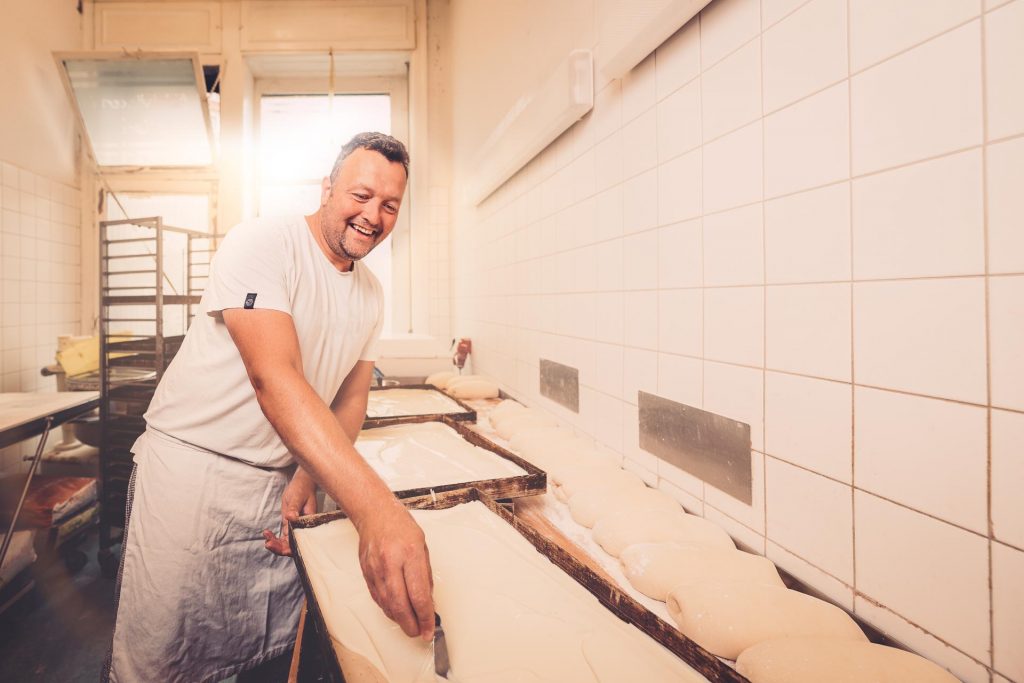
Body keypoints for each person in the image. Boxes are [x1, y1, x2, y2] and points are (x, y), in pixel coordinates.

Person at [104, 132, 435, 683]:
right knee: (160, 654)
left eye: (389, 205)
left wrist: (308, 476)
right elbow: (272, 376)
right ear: (327, 188)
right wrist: (375, 510)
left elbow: (350, 397)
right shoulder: (263, 242)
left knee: (259, 651)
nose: (372, 215)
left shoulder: (372, 293)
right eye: (361, 195)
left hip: (278, 484)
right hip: (195, 479)